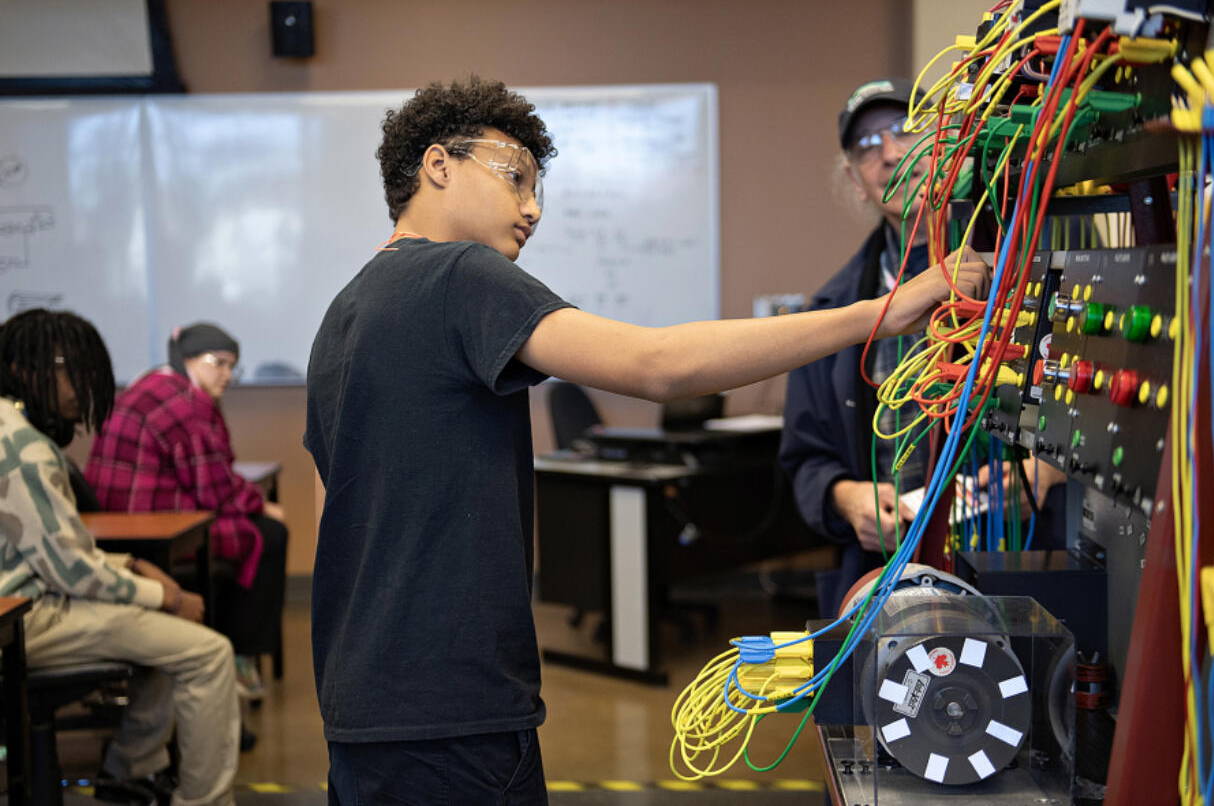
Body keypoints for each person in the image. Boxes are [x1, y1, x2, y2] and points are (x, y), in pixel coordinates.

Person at [304, 75, 990, 804]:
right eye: (516, 178)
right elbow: (659, 365)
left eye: (540, 190)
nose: (533, 208)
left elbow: (332, 522)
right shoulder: (459, 274)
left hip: (360, 706)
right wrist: (880, 313)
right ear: (439, 164)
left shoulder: (342, 315)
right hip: (452, 709)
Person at [779, 78, 1067, 616]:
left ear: (947, 140)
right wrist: (847, 497)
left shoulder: (1025, 271)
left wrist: (1045, 472)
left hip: (1016, 561)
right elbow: (805, 457)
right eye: (866, 145)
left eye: (904, 128)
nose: (889, 153)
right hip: (889, 577)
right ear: (854, 180)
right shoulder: (830, 311)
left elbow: (1093, 407)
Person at [0, 308, 239, 806]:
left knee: (161, 643)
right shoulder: (26, 448)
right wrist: (164, 594)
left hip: (27, 601)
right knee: (209, 653)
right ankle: (203, 800)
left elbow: (50, 550)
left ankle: (131, 772)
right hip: (28, 619)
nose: (84, 383)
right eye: (71, 368)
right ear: (25, 370)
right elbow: (68, 570)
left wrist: (128, 566)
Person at [85, 323, 288, 700]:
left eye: (233, 367)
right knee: (267, 534)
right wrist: (262, 504)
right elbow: (215, 490)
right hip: (156, 528)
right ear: (189, 359)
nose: (227, 375)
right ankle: (238, 655)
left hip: (114, 525)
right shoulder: (185, 404)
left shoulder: (156, 382)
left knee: (254, 525)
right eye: (219, 363)